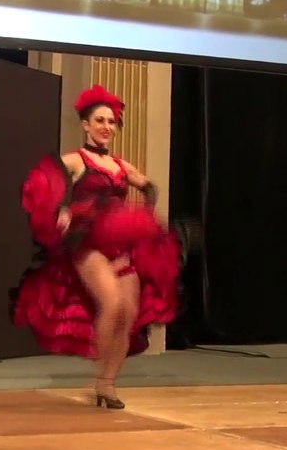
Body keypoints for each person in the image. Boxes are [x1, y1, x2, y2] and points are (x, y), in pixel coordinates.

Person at [12, 85, 189, 409]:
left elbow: (150, 186)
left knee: (129, 314)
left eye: (111, 121)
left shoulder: (122, 167)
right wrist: (61, 209)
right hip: (87, 245)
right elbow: (45, 181)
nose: (107, 126)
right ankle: (99, 364)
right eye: (100, 120)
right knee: (110, 303)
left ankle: (106, 384)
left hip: (120, 247)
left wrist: (146, 213)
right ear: (86, 124)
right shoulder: (76, 160)